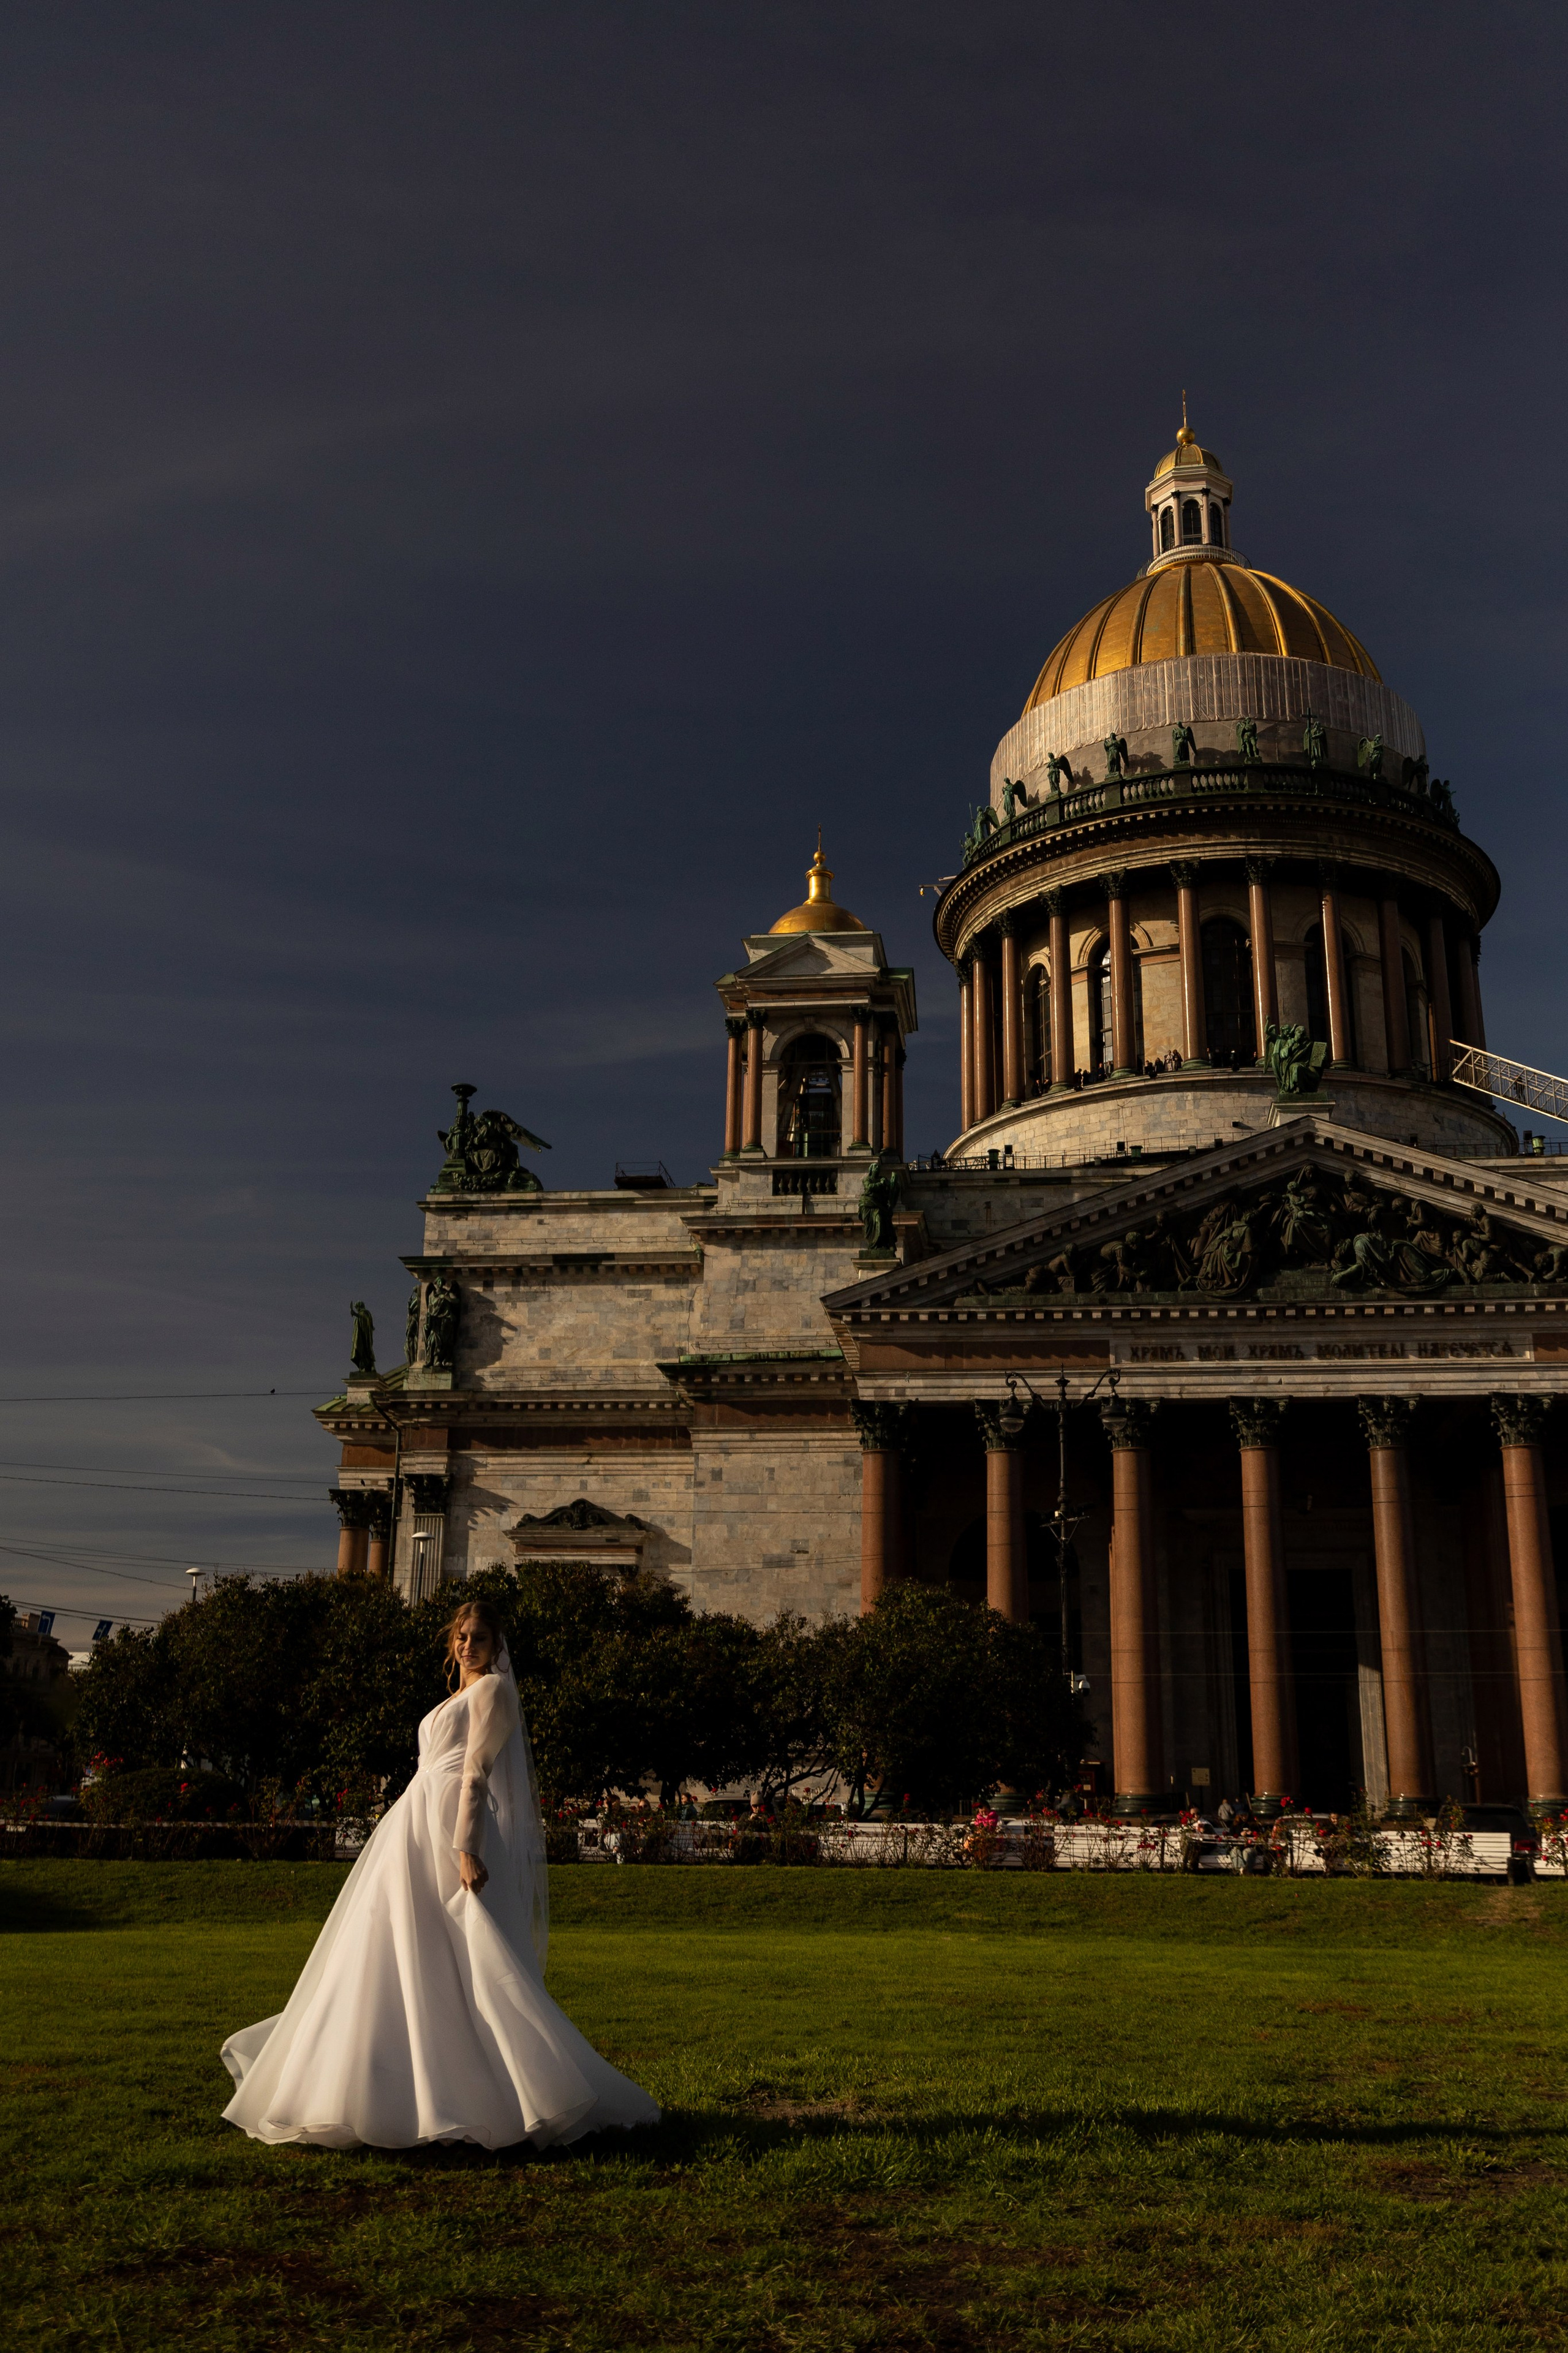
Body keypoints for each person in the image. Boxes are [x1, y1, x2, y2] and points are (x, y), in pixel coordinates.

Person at [219, 1599, 659, 2151]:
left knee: (471, 1955)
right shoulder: (455, 1695)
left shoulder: (493, 1691)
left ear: (497, 1646)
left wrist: (466, 1848)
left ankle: (508, 2094)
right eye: (461, 1636)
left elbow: (476, 1773)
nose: (467, 1645)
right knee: (395, 1951)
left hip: (452, 1830)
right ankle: (379, 2091)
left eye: (478, 1637)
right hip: (412, 1827)